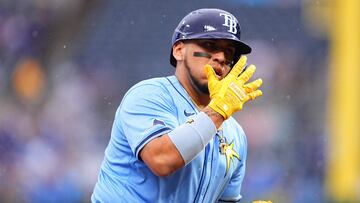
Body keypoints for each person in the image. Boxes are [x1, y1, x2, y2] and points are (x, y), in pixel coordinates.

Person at [92, 8, 263, 202]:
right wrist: (218, 112)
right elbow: (162, 160)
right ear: (179, 50)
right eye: (209, 44)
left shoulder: (235, 133)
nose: (221, 57)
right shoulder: (149, 95)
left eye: (229, 51)